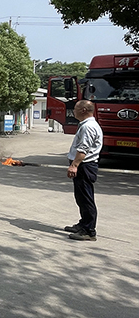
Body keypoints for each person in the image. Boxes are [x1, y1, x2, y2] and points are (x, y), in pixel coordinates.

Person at [64, 100, 103, 241]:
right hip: (82, 165)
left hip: (85, 166)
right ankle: (83, 223)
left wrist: (74, 165)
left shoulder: (89, 127)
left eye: (75, 108)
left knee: (86, 199)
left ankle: (89, 230)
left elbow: (83, 150)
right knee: (81, 197)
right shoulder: (86, 125)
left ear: (84, 110)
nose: (73, 111)